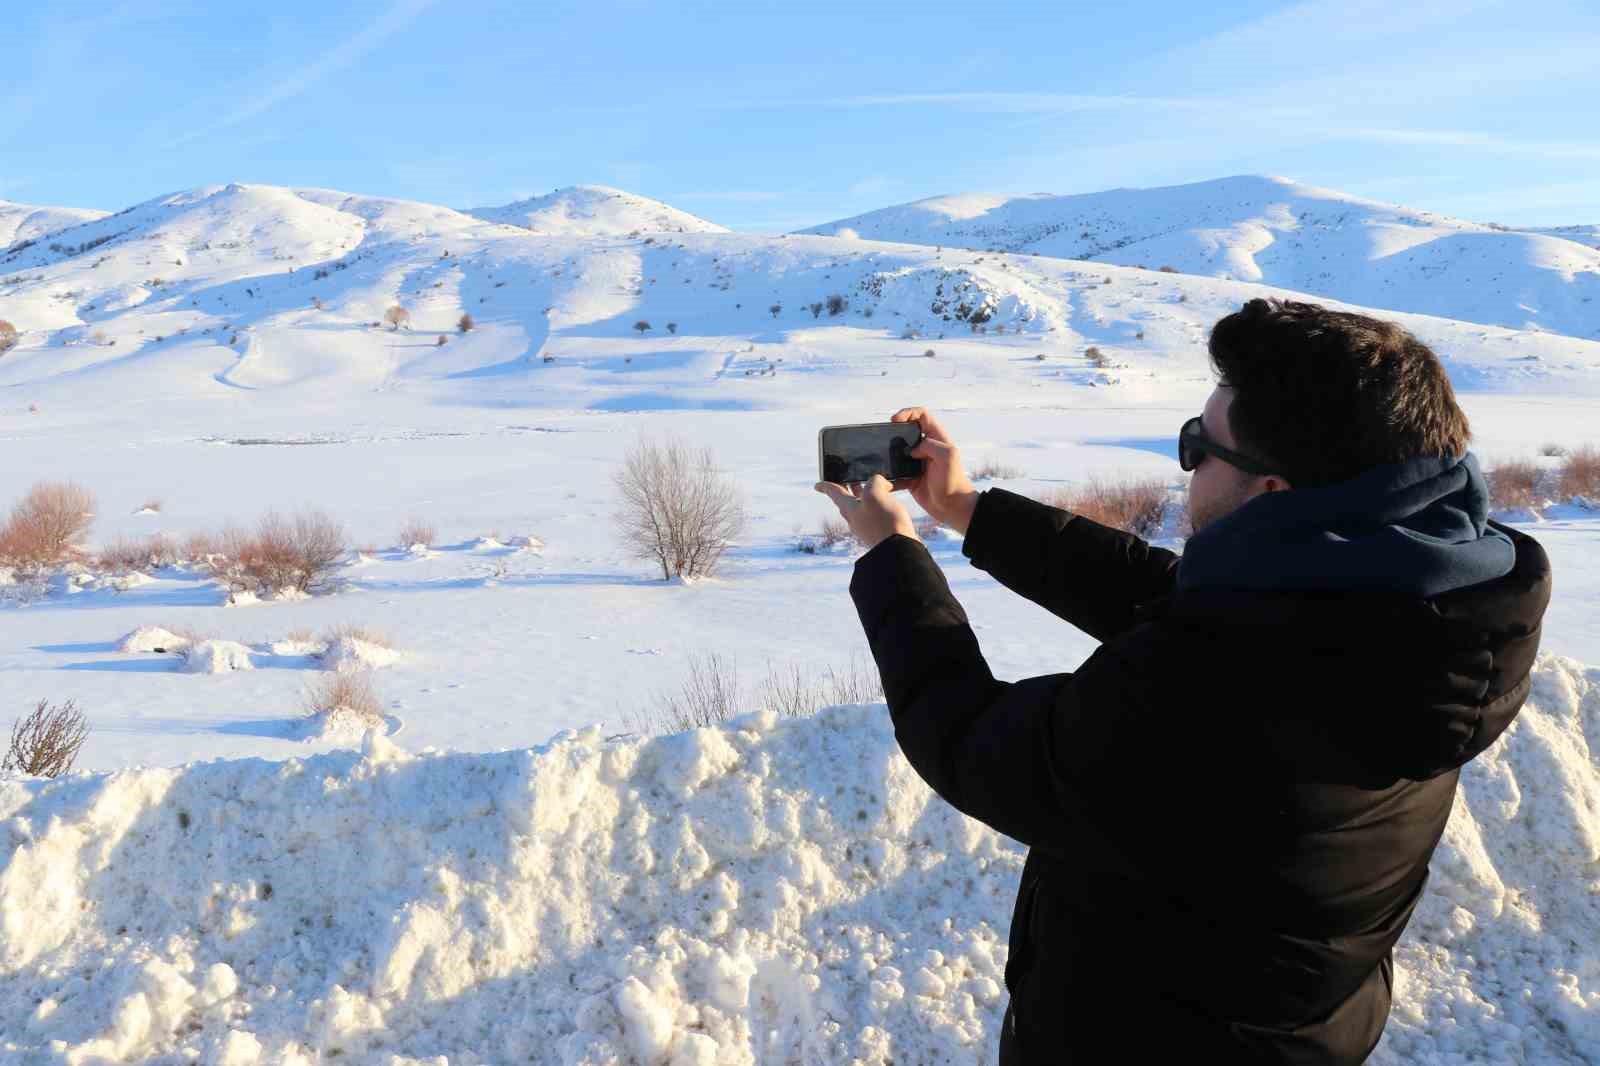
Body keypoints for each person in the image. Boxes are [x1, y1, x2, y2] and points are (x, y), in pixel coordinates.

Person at [814, 298, 1552, 1065]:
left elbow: (969, 739)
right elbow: (1175, 597)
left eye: (1200, 445)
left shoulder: (1209, 696)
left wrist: (890, 551)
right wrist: (969, 510)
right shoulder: (1420, 614)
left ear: (1272, 495)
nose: (1189, 462)